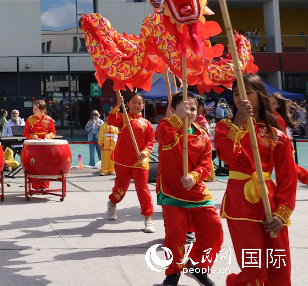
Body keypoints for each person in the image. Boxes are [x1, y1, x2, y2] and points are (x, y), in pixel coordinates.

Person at [215, 74, 296, 286]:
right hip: (240, 206)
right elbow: (226, 157)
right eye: (235, 94)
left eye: (247, 93)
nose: (241, 98)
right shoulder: (224, 127)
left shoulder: (277, 135)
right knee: (254, 271)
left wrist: (282, 213)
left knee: (279, 268)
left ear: (260, 95)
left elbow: (288, 177)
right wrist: (238, 123)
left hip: (271, 206)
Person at [156, 92, 222, 286]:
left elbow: (206, 163)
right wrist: (176, 119)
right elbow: (163, 136)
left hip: (197, 190)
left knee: (214, 227)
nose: (190, 112)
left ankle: (196, 266)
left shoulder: (202, 135)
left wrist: (194, 176)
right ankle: (172, 274)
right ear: (172, 110)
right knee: (175, 235)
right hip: (171, 191)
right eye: (185, 108)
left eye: (193, 109)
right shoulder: (165, 127)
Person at [106, 90, 156, 233]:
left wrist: (145, 153)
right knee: (121, 189)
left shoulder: (147, 124)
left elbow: (151, 141)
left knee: (143, 189)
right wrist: (117, 104)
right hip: (123, 160)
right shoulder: (123, 118)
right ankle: (112, 203)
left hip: (140, 161)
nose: (137, 105)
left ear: (143, 105)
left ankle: (148, 218)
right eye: (133, 102)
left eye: (140, 103)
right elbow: (110, 121)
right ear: (127, 104)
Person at [270, 92, 308, 185]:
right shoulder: (271, 116)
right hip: (276, 147)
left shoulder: (277, 118)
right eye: (268, 102)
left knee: (291, 169)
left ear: (278, 105)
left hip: (280, 148)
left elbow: (280, 135)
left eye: (273, 103)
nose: (269, 105)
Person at [24, 100, 57, 192]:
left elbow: (53, 132)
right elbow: (25, 133)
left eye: (36, 109)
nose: (33, 111)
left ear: (43, 110)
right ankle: (35, 186)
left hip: (45, 145)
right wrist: (32, 136)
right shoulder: (29, 120)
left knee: (45, 165)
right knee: (34, 164)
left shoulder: (49, 119)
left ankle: (44, 185)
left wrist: (48, 136)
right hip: (34, 145)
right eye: (33, 109)